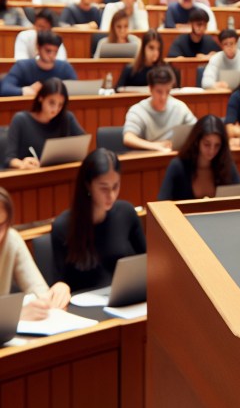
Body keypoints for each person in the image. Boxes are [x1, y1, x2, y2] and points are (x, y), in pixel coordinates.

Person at [51, 149, 146, 292]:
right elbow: (60, 284)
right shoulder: (63, 227)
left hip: (124, 299)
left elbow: (147, 262)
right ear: (88, 185)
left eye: (116, 186)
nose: (112, 195)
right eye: (104, 188)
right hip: (82, 306)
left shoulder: (127, 213)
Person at [0, 188, 70, 320]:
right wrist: (16, 316)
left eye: (0, 226)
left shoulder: (11, 240)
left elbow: (38, 291)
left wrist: (56, 293)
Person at [4, 78, 85, 169]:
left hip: (57, 173)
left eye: (60, 105)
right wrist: (22, 164)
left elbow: (82, 144)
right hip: (28, 176)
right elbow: (9, 159)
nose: (55, 109)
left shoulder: (67, 117)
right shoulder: (21, 120)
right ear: (41, 98)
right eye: (51, 103)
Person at [157, 115, 240, 200]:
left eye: (217, 145)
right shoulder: (177, 166)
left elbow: (239, 198)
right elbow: (162, 202)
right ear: (197, 141)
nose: (212, 151)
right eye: (207, 144)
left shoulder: (227, 164)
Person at [122, 65, 196, 152]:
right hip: (149, 157)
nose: (163, 97)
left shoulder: (179, 107)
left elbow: (197, 130)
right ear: (150, 89)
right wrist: (155, 146)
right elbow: (128, 138)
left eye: (168, 91)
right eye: (159, 92)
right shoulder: (138, 110)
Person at [2, 30, 77, 96]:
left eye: (55, 52)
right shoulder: (22, 66)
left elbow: (76, 89)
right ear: (38, 47)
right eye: (48, 51)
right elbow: (5, 89)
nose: (52, 55)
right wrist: (24, 91)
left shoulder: (65, 67)